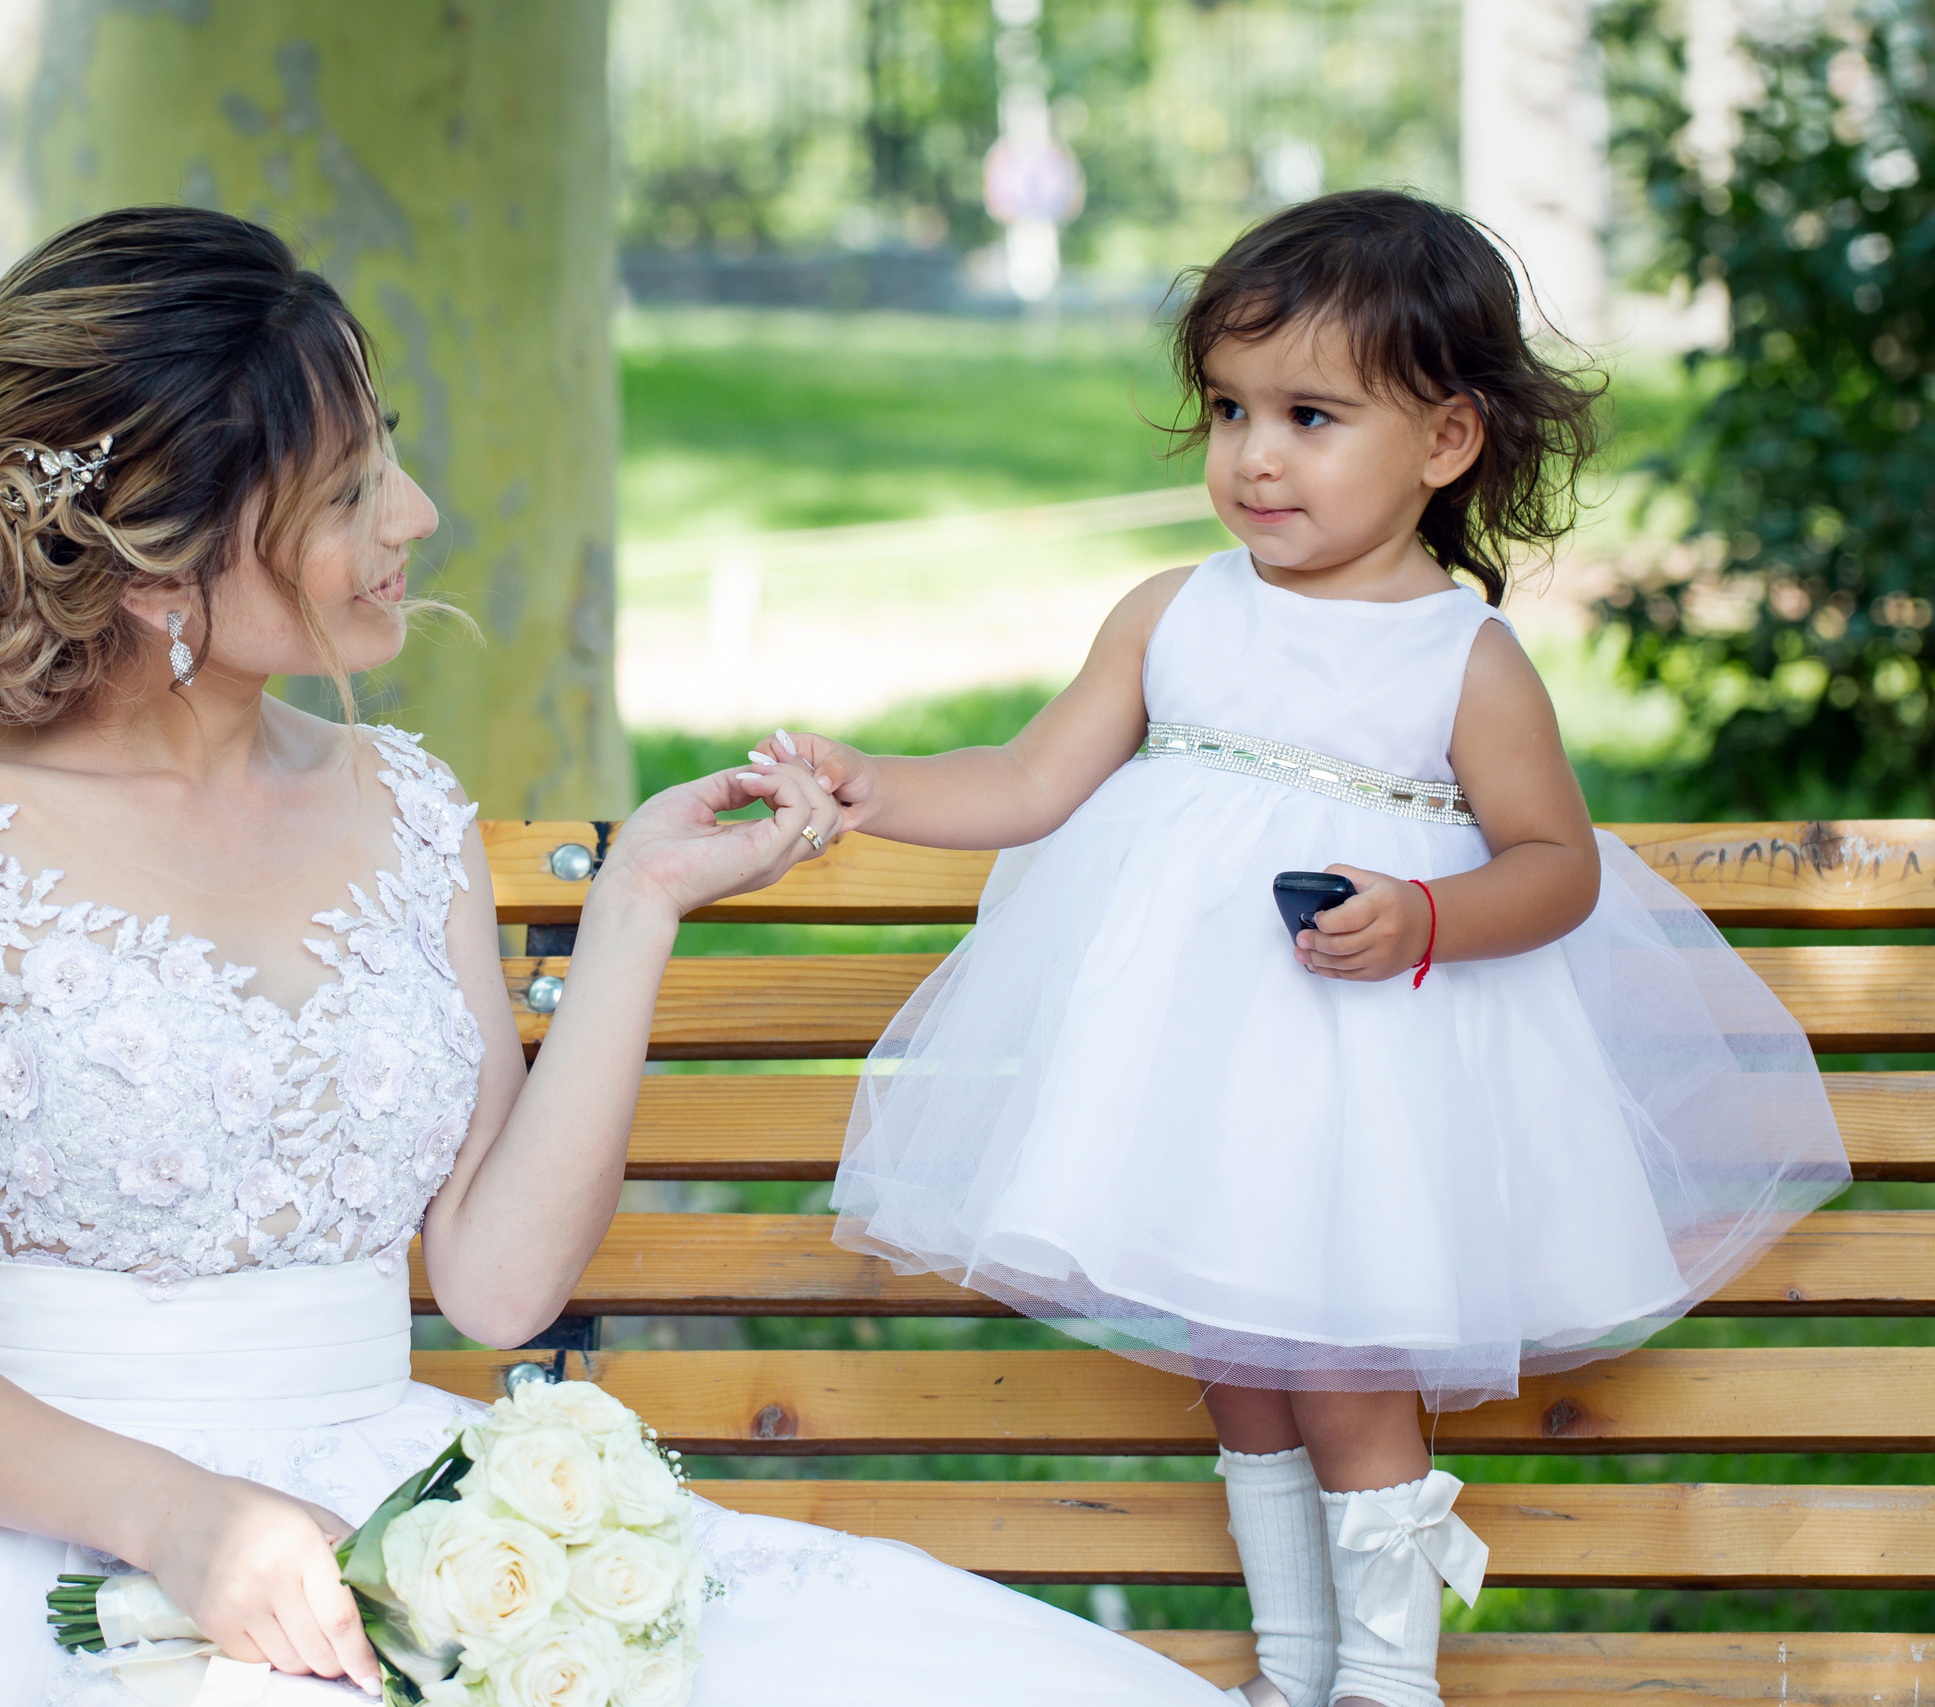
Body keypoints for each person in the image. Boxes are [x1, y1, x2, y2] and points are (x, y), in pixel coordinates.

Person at [0, 206, 1233, 1707]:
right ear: (168, 558)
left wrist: (634, 904)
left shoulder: (402, 806)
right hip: (29, 1531)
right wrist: (185, 1522)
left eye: (386, 448)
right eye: (349, 488)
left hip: (399, 1502)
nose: (416, 512)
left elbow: (493, 1287)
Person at [758, 191, 1848, 1707]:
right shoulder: (1170, 614)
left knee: (1344, 1370)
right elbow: (1026, 781)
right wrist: (877, 787)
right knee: (1244, 1365)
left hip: (1367, 1088)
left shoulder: (1458, 656)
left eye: (1310, 415)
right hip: (1202, 1083)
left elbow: (1558, 867)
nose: (1253, 455)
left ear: (1446, 441)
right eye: (1227, 409)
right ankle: (1290, 1672)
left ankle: (1387, 1687)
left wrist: (1426, 916)